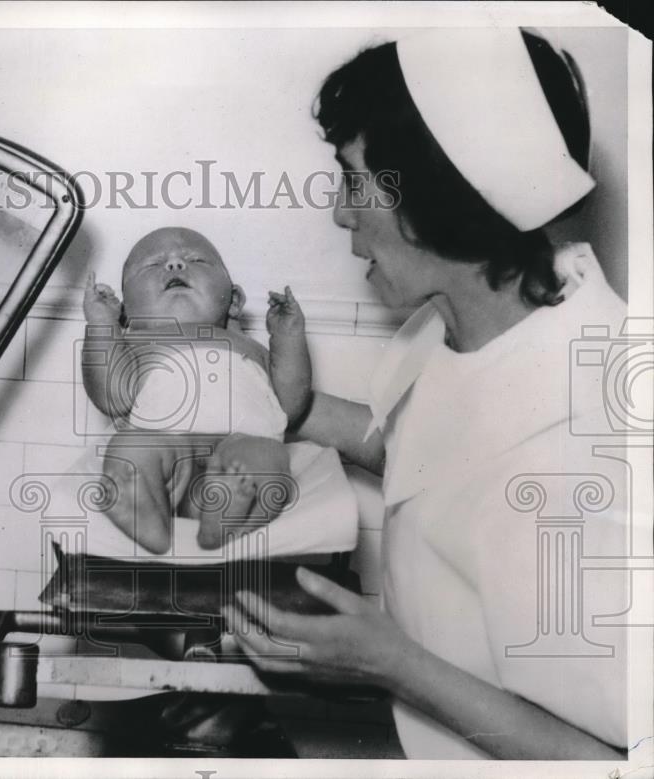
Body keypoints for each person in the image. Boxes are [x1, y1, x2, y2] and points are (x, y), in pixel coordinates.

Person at [224, 28, 630, 759]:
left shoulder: (590, 446)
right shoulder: (455, 328)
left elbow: (611, 763)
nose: (342, 212)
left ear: (438, 191)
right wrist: (300, 407)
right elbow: (435, 457)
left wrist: (392, 663)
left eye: (354, 179)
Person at [82, 226, 312, 552]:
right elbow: (109, 396)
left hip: (241, 445)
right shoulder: (135, 345)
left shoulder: (248, 345)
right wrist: (102, 327)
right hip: (166, 451)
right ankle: (145, 515)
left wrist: (288, 338)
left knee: (269, 456)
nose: (175, 265)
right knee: (130, 445)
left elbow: (290, 404)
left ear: (234, 301)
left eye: (196, 260)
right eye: (153, 264)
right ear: (125, 312)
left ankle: (218, 517)